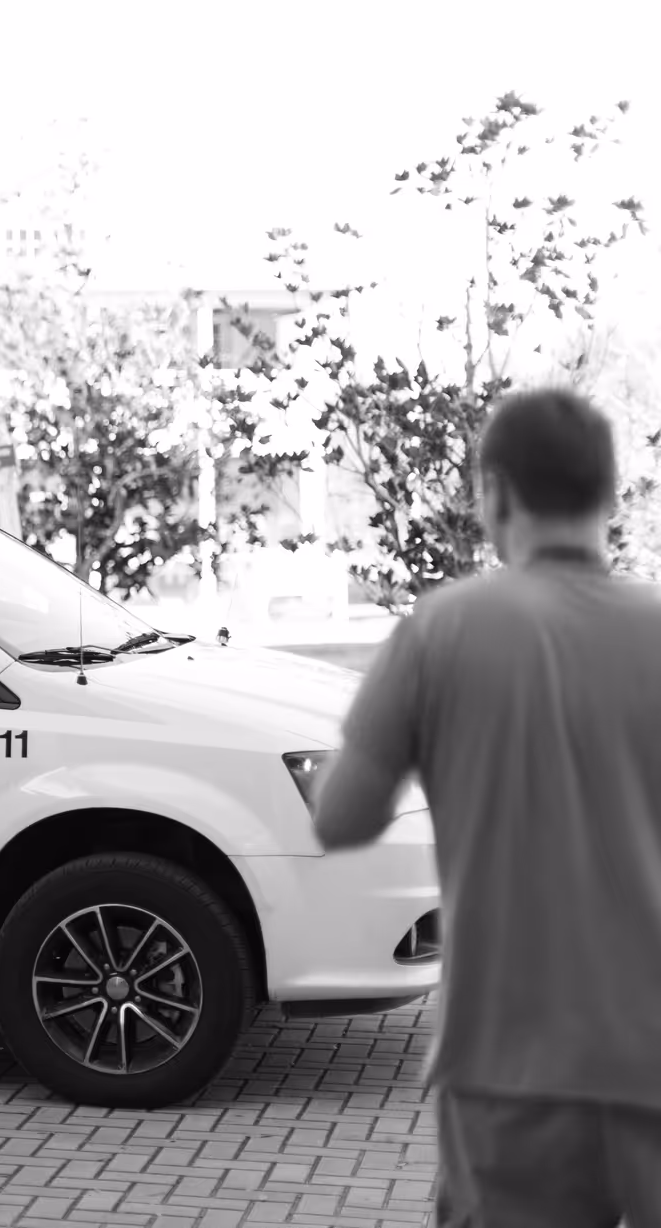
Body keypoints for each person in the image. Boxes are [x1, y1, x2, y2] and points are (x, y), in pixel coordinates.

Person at [311, 388, 661, 1224]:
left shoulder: (442, 629)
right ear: (610, 497)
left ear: (495, 492)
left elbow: (342, 816)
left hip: (508, 1068)